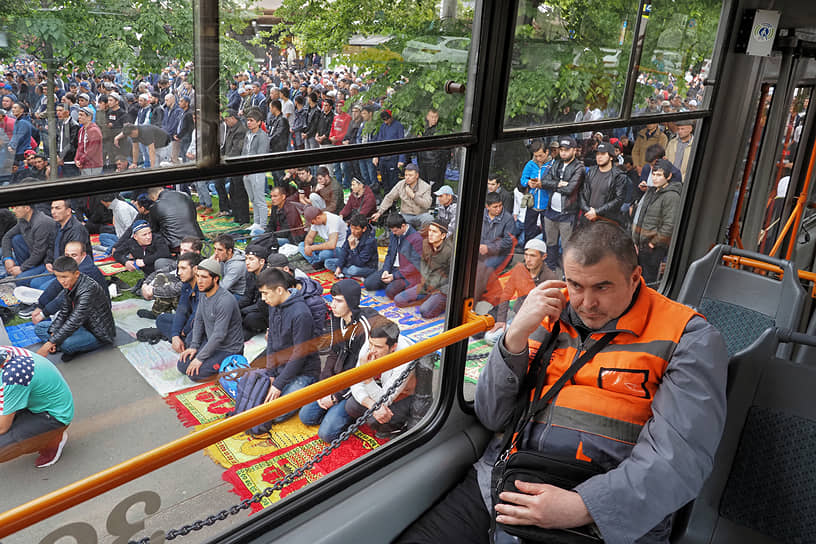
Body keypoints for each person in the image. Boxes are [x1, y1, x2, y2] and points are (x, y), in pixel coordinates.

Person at [397, 221, 728, 544]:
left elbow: (681, 459)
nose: (586, 303)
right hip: (504, 482)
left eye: (602, 287)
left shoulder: (687, 338)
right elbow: (492, 415)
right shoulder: (548, 312)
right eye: (575, 285)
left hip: (601, 512)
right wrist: (514, 336)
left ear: (635, 278)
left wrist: (584, 507)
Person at [299, 279, 379, 441]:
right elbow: (333, 354)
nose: (333, 305)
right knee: (306, 416)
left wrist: (336, 397)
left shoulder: (364, 329)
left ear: (350, 302)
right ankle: (336, 408)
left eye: (339, 301)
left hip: (357, 385)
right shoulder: (338, 319)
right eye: (333, 299)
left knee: (327, 434)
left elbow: (361, 372)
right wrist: (325, 385)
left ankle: (354, 412)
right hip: (339, 377)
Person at [256, 268, 321, 422]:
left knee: (274, 415)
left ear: (279, 290)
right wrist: (271, 373)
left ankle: (306, 392)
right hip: (280, 366)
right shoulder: (274, 305)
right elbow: (271, 339)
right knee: (256, 398)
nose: (263, 298)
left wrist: (278, 384)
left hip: (303, 371)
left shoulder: (301, 314)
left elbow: (300, 355)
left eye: (265, 293)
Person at [0, 346, 73, 468]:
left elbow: (2, 427)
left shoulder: (14, 376)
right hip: (36, 400)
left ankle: (52, 440)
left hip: (54, 416)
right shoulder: (4, 352)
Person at [34, 256, 116, 362]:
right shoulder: (71, 284)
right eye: (58, 277)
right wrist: (53, 333)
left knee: (66, 344)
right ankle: (64, 345)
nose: (61, 281)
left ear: (76, 274)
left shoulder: (88, 290)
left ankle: (65, 347)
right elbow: (64, 312)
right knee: (40, 328)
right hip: (80, 326)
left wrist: (49, 343)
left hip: (98, 333)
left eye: (64, 277)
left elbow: (74, 320)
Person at [347, 316, 416, 439]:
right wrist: (371, 404)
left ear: (393, 347)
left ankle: (399, 426)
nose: (372, 350)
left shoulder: (405, 357)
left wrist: (367, 377)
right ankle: (380, 419)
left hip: (406, 396)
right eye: (371, 344)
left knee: (374, 420)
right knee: (351, 406)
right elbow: (355, 383)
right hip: (380, 387)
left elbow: (384, 399)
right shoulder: (371, 344)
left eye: (378, 347)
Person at [177, 257, 244, 381]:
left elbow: (219, 335)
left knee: (194, 374)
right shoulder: (203, 293)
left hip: (228, 349)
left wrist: (200, 358)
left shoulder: (225, 300)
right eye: (198, 276)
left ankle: (227, 367)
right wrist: (194, 346)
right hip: (210, 341)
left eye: (204, 277)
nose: (199, 281)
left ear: (215, 278)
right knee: (182, 365)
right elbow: (199, 320)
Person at [484, 238, 556, 345]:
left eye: (533, 256)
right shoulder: (519, 270)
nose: (528, 259)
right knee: (490, 337)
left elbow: (550, 310)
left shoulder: (550, 277)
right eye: (526, 255)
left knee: (536, 341)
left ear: (543, 257)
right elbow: (506, 294)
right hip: (519, 317)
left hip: (537, 322)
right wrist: (501, 320)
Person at [31, 240, 108, 324]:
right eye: (67, 255)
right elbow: (56, 285)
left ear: (83, 255)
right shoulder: (72, 266)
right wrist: (40, 306)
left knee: (45, 328)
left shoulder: (87, 271)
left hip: (96, 316)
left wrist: (43, 314)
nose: (70, 259)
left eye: (74, 255)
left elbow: (65, 297)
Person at [631, 159, 682, 284]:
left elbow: (669, 225)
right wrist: (635, 241)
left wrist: (652, 244)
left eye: (659, 175)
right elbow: (640, 216)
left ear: (669, 176)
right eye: (653, 174)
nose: (655, 178)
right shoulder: (651, 191)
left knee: (648, 282)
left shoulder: (672, 196)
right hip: (641, 245)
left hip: (653, 248)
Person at [541, 136, 585, 272]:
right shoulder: (556, 163)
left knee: (567, 245)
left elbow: (570, 189)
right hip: (551, 210)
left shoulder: (579, 167)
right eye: (561, 150)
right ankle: (550, 268)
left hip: (567, 212)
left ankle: (568, 272)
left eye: (566, 150)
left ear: (573, 150)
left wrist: (554, 184)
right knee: (550, 242)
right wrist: (559, 183)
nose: (563, 153)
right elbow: (544, 181)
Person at [394, 221, 453, 319]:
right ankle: (427, 299)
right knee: (399, 300)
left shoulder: (449, 251)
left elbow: (451, 278)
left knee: (425, 312)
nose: (430, 234)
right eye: (429, 230)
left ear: (443, 236)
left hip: (442, 290)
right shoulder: (426, 243)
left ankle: (442, 303)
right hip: (427, 284)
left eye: (434, 232)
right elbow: (423, 265)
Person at [363, 213, 423, 299]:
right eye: (392, 231)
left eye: (395, 231)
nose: (393, 233)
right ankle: (392, 282)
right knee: (368, 284)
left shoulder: (416, 238)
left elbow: (414, 266)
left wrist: (394, 276)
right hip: (392, 269)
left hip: (405, 272)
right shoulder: (394, 234)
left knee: (390, 291)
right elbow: (389, 253)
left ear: (403, 226)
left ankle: (402, 285)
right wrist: (386, 270)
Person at [473, 192, 516, 301]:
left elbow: (508, 242)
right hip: (480, 249)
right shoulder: (480, 214)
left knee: (484, 268)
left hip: (499, 253)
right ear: (487, 207)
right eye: (495, 207)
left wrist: (488, 248)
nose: (499, 209)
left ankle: (475, 298)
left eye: (500, 205)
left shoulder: (508, 219)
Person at [156, 252, 201, 353]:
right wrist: (175, 335)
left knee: (193, 335)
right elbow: (182, 309)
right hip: (190, 320)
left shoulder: (203, 285)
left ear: (195, 269)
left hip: (202, 324)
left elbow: (198, 316)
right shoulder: (186, 284)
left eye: (183, 268)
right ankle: (180, 342)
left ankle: (187, 344)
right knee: (161, 319)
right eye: (178, 268)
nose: (179, 272)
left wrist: (184, 331)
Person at [2, 204, 55, 287]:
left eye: (16, 208)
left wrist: (21, 268)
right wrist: (7, 258)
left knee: (20, 280)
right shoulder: (23, 220)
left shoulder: (41, 223)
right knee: (16, 239)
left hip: (47, 262)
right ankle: (26, 271)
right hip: (34, 257)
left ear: (27, 208)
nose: (13, 211)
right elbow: (7, 236)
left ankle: (25, 272)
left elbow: (39, 253)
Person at [371, 163, 433, 230]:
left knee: (429, 218)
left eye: (410, 175)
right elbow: (389, 198)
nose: (407, 177)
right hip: (405, 215)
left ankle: (423, 236)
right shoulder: (401, 184)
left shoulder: (425, 186)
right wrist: (379, 212)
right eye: (406, 175)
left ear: (417, 175)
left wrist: (413, 196)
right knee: (396, 222)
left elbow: (427, 205)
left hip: (421, 214)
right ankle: (402, 237)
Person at [579, 142, 627, 226]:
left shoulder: (619, 176)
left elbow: (618, 200)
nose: (599, 157)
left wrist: (597, 212)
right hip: (587, 218)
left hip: (606, 221)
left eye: (603, 154)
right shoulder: (590, 171)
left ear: (611, 157)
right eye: (597, 154)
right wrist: (588, 210)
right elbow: (582, 192)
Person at [147, 186, 205, 251]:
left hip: (174, 244)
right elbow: (193, 216)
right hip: (197, 238)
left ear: (152, 197)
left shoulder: (155, 206)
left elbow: (154, 228)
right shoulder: (185, 195)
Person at [241, 108, 270, 230]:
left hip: (257, 172)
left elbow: (261, 156)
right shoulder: (248, 134)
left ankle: (262, 225)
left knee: (260, 199)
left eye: (251, 120)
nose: (248, 123)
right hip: (246, 171)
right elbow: (244, 151)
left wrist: (250, 168)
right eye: (247, 120)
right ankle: (256, 222)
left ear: (259, 122)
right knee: (252, 198)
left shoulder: (263, 136)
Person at [326, 212, 378, 279]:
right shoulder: (350, 231)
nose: (353, 231)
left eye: (356, 229)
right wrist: (339, 267)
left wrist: (353, 248)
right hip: (350, 261)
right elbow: (344, 249)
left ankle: (351, 274)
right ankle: (354, 276)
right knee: (328, 262)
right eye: (352, 227)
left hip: (366, 266)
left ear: (364, 229)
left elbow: (360, 262)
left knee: (353, 270)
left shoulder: (370, 241)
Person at [519, 140, 553, 243]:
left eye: (540, 155)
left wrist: (543, 184)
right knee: (528, 230)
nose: (538, 159)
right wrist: (528, 182)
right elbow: (522, 179)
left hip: (547, 205)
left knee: (548, 233)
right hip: (532, 203)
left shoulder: (553, 165)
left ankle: (545, 255)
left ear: (547, 152)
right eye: (536, 156)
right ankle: (529, 253)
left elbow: (556, 183)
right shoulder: (530, 164)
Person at [238, 244, 269, 340]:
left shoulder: (268, 276)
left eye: (251, 259)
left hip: (268, 311)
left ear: (262, 261)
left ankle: (256, 329)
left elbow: (263, 303)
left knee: (249, 318)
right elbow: (248, 296)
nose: (247, 263)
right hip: (255, 305)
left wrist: (243, 311)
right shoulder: (250, 273)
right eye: (246, 259)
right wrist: (235, 307)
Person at [372, 110, 406, 192]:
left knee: (393, 181)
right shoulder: (382, 126)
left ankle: (393, 200)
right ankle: (387, 197)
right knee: (384, 180)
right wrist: (376, 155)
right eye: (384, 120)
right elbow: (379, 141)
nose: (386, 121)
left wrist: (401, 160)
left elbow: (402, 143)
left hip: (393, 158)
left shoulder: (398, 126)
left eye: (387, 119)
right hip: (383, 158)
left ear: (391, 117)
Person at [417, 108, 449, 192]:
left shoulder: (440, 129)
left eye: (436, 117)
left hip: (435, 163)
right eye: (432, 116)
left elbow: (444, 150)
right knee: (423, 184)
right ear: (427, 117)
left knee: (434, 186)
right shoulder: (422, 128)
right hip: (422, 161)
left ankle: (433, 202)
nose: (434, 119)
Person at [75, 107, 103, 176]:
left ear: (89, 117)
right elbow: (79, 147)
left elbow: (92, 150)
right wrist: (76, 159)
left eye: (81, 115)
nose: (79, 117)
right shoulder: (81, 130)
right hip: (83, 165)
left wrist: (81, 161)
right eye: (79, 115)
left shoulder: (94, 130)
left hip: (93, 165)